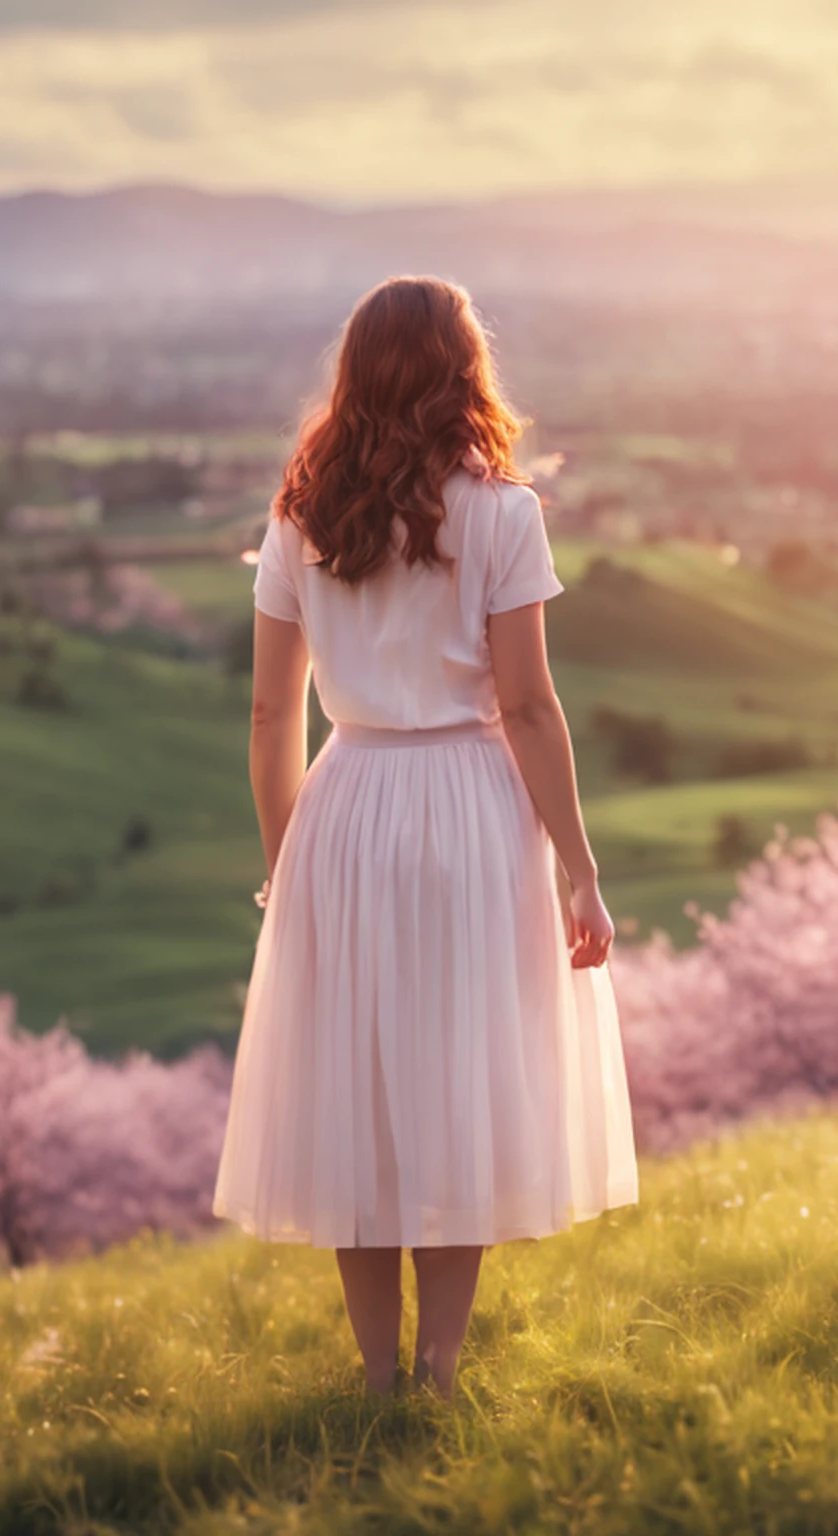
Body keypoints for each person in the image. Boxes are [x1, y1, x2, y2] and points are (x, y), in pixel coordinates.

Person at [211, 275, 638, 1399]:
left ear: (354, 373)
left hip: (345, 809)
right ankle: (440, 1376)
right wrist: (581, 873)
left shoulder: (301, 517)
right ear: (462, 371)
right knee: (461, 1087)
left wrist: (284, 866)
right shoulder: (503, 513)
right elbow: (531, 706)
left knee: (361, 1097)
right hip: (472, 812)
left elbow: (269, 717)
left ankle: (375, 1378)